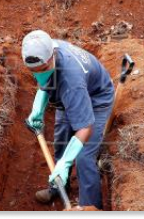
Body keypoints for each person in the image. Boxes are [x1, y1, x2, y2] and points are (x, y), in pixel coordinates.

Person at [22, 30, 114, 210]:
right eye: (33, 71)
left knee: (83, 155)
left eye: (42, 70)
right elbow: (45, 81)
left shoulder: (71, 82)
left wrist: (65, 163)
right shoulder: (45, 48)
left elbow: (85, 127)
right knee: (61, 140)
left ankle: (90, 206)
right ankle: (58, 185)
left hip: (97, 97)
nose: (38, 74)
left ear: (51, 58)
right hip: (70, 93)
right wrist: (37, 109)